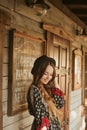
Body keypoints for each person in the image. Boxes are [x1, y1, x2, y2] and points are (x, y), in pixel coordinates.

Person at [27, 55, 65, 130]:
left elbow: (59, 104)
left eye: (51, 74)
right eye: (45, 73)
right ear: (39, 72)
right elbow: (41, 116)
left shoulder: (47, 88)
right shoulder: (34, 90)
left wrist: (55, 82)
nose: (48, 77)